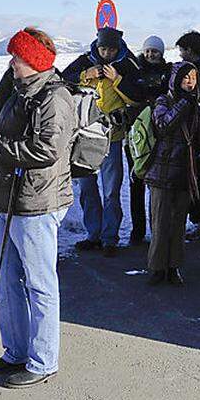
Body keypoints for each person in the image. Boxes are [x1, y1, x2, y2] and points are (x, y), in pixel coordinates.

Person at [0, 28, 75, 388]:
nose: (11, 62)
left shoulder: (55, 98)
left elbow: (46, 152)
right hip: (7, 199)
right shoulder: (20, 92)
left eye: (16, 56)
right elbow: (13, 142)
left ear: (33, 60)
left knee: (40, 284)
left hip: (36, 203)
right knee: (2, 277)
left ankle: (43, 361)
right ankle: (16, 352)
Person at [60, 27, 142, 257]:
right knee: (87, 188)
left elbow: (138, 96)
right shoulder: (85, 61)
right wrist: (86, 75)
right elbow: (62, 83)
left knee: (111, 190)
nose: (106, 53)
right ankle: (92, 234)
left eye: (111, 49)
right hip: (84, 136)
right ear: (97, 46)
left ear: (118, 48)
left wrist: (117, 80)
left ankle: (110, 238)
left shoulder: (127, 64)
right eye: (103, 48)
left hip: (111, 137)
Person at [144, 61, 200, 286]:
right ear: (175, 79)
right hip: (162, 170)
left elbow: (199, 139)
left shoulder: (196, 106)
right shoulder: (164, 100)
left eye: (193, 78)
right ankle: (157, 268)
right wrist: (183, 104)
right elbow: (163, 125)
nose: (189, 82)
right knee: (160, 223)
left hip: (184, 172)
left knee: (178, 223)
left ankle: (174, 267)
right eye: (185, 78)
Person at [125, 35, 170, 245]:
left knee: (156, 184)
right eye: (148, 51)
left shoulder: (167, 72)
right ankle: (138, 229)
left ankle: (156, 228)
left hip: (158, 133)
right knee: (136, 182)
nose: (151, 54)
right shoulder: (134, 70)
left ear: (161, 53)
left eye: (155, 51)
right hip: (136, 134)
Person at [174, 31, 200, 237]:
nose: (180, 55)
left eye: (182, 50)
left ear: (190, 50)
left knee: (196, 173)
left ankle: (198, 217)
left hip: (198, 130)